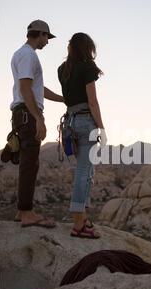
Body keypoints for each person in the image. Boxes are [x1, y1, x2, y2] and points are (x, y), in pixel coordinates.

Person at [10, 20, 65, 228]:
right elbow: (25, 89)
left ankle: (21, 210)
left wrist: (63, 99)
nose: (48, 42)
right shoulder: (28, 55)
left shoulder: (23, 54)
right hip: (28, 113)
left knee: (28, 161)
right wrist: (39, 118)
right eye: (47, 37)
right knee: (30, 163)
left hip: (23, 113)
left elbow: (37, 89)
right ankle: (26, 213)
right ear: (39, 34)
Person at [58, 32, 107, 239]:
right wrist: (102, 128)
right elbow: (93, 101)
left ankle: (84, 218)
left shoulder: (62, 69)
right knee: (84, 172)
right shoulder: (87, 67)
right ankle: (78, 224)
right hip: (86, 121)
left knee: (86, 171)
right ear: (87, 48)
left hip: (69, 122)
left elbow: (69, 98)